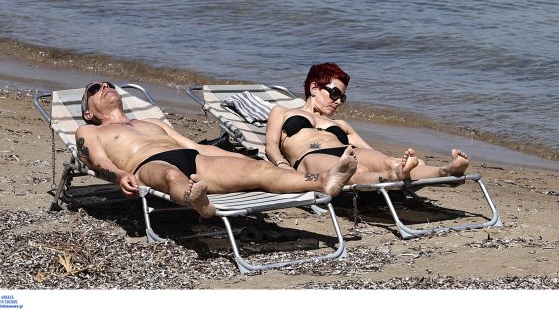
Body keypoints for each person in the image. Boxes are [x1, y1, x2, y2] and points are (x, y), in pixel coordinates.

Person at [75, 81, 357, 218]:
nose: (106, 87)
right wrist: (119, 175)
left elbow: (195, 146)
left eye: (109, 85)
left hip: (194, 158)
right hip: (146, 165)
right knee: (172, 176)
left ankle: (323, 180)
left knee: (259, 170)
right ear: (88, 113)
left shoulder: (151, 122)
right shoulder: (89, 131)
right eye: (96, 89)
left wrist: (245, 158)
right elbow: (96, 160)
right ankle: (198, 202)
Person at [265, 63, 471, 186]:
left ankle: (446, 171)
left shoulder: (341, 124)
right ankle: (392, 177)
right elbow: (271, 146)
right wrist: (283, 166)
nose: (339, 101)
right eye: (335, 94)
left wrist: (392, 161)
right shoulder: (282, 112)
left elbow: (370, 151)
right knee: (356, 171)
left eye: (343, 98)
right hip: (310, 155)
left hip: (347, 151)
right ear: (314, 88)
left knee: (390, 162)